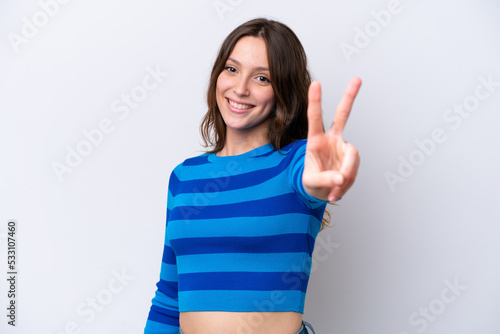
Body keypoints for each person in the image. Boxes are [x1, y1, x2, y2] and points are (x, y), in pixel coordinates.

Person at [144, 17, 361, 334]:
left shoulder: (294, 164)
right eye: (231, 69)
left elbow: (312, 179)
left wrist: (325, 175)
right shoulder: (184, 176)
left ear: (282, 91)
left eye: (262, 78)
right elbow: (169, 296)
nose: (240, 88)